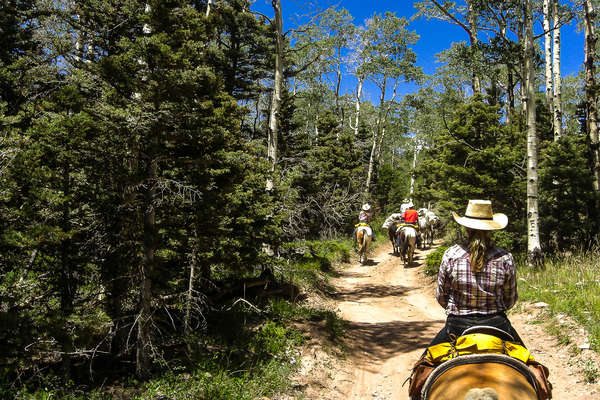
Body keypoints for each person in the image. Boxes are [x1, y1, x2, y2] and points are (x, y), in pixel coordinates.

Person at [427, 199, 524, 348]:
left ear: (466, 228)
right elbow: (510, 300)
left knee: (423, 364)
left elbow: (441, 296)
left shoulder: (451, 255)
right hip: (496, 325)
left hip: (457, 326)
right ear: (491, 229)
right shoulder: (505, 258)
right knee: (530, 364)